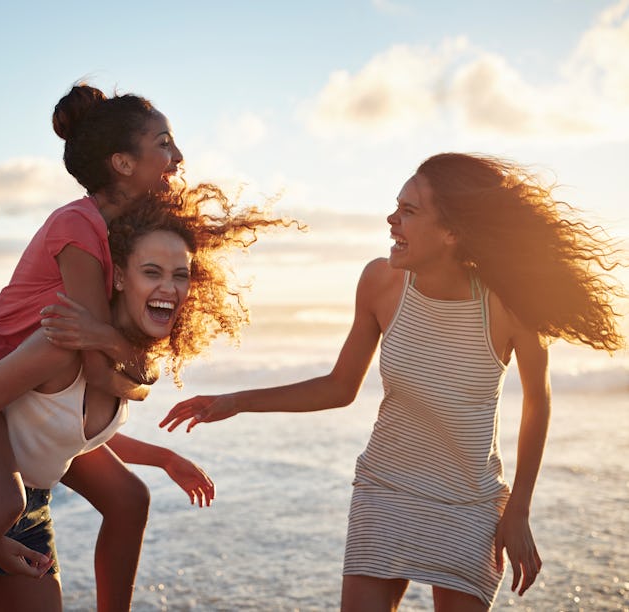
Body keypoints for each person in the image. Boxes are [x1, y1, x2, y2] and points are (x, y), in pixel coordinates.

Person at [160, 153, 625, 611]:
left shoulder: (508, 305)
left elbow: (537, 403)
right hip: (386, 488)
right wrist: (235, 401)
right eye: (395, 206)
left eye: (408, 212)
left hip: (469, 501)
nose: (390, 219)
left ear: (452, 232)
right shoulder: (381, 283)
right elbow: (339, 387)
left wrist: (518, 509)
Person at [0, 81, 185, 611]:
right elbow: (100, 372)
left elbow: (98, 388)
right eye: (164, 143)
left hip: (12, 391)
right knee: (1, 501)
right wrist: (114, 348)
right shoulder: (79, 226)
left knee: (126, 497)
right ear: (122, 162)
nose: (178, 157)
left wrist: (158, 443)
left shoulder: (122, 235)